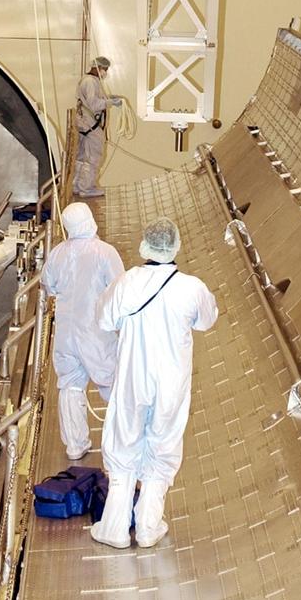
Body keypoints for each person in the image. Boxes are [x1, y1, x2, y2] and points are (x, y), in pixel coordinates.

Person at [90, 216, 218, 550]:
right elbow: (207, 321)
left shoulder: (128, 282)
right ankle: (148, 526)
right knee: (163, 444)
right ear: (176, 245)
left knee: (123, 442)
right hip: (171, 383)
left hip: (133, 377)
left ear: (145, 245)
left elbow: (103, 319)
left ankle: (114, 528)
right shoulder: (192, 287)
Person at [41, 202, 125, 460]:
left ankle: (76, 445)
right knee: (113, 383)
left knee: (69, 386)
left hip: (66, 333)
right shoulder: (104, 252)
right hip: (96, 333)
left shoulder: (57, 253)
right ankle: (122, 441)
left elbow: (48, 286)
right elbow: (120, 290)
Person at [73, 56, 121, 198]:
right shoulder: (91, 82)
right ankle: (87, 188)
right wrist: (110, 103)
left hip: (84, 125)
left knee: (81, 156)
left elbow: (91, 100)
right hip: (91, 126)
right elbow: (94, 104)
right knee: (93, 157)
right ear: (97, 68)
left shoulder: (87, 80)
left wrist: (109, 98)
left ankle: (77, 185)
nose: (105, 72)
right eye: (104, 69)